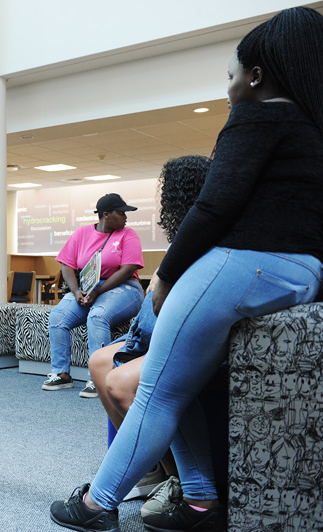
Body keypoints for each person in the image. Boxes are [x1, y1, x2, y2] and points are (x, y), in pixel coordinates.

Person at [50, 7, 323, 532]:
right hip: (303, 273)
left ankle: (96, 504)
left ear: (257, 75)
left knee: (155, 387)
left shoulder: (259, 115)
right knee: (182, 384)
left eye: (231, 76)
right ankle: (200, 502)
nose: (228, 88)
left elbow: (214, 208)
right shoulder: (312, 130)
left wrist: (166, 274)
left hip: (247, 266)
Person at [87, 155, 211, 503]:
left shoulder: (207, 231)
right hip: (162, 326)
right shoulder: (188, 234)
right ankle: (153, 467)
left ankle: (179, 482)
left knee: (118, 376)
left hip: (184, 333)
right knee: (99, 361)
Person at [42, 193, 145, 397]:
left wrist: (98, 291)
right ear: (106, 215)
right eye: (121, 212)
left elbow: (127, 268)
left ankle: (98, 377)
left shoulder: (128, 234)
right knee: (57, 317)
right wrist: (76, 291)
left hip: (126, 288)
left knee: (97, 315)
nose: (126, 217)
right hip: (89, 288)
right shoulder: (82, 233)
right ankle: (61, 374)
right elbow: (67, 266)